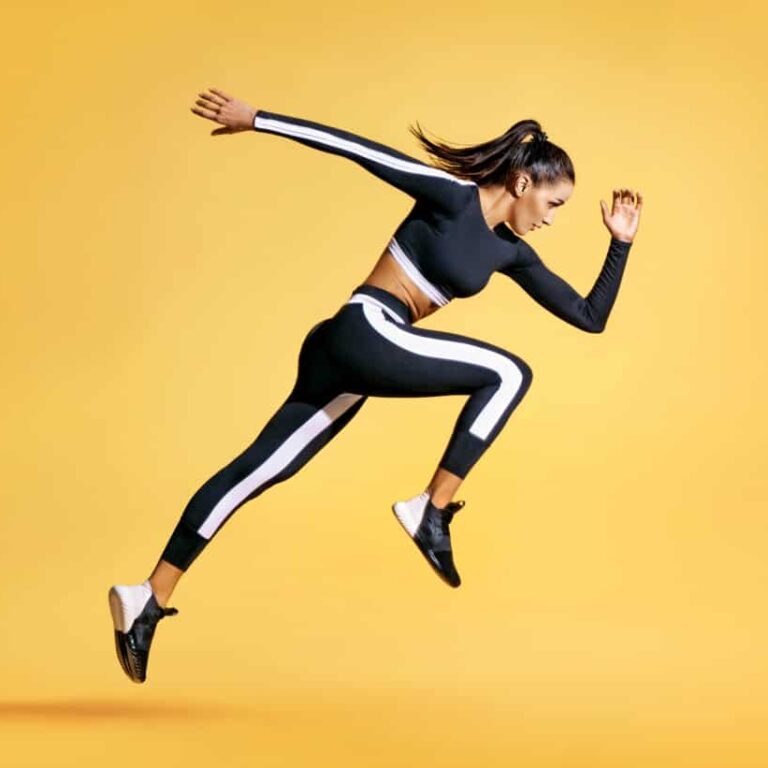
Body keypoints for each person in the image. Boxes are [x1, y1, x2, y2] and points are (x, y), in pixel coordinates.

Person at [109, 87, 642, 684]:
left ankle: (146, 599)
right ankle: (429, 510)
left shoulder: (510, 254)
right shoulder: (452, 198)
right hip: (365, 328)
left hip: (351, 359)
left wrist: (619, 242)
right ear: (523, 184)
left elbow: (589, 317)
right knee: (510, 372)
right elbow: (358, 150)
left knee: (254, 473)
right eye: (554, 202)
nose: (551, 217)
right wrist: (255, 119)